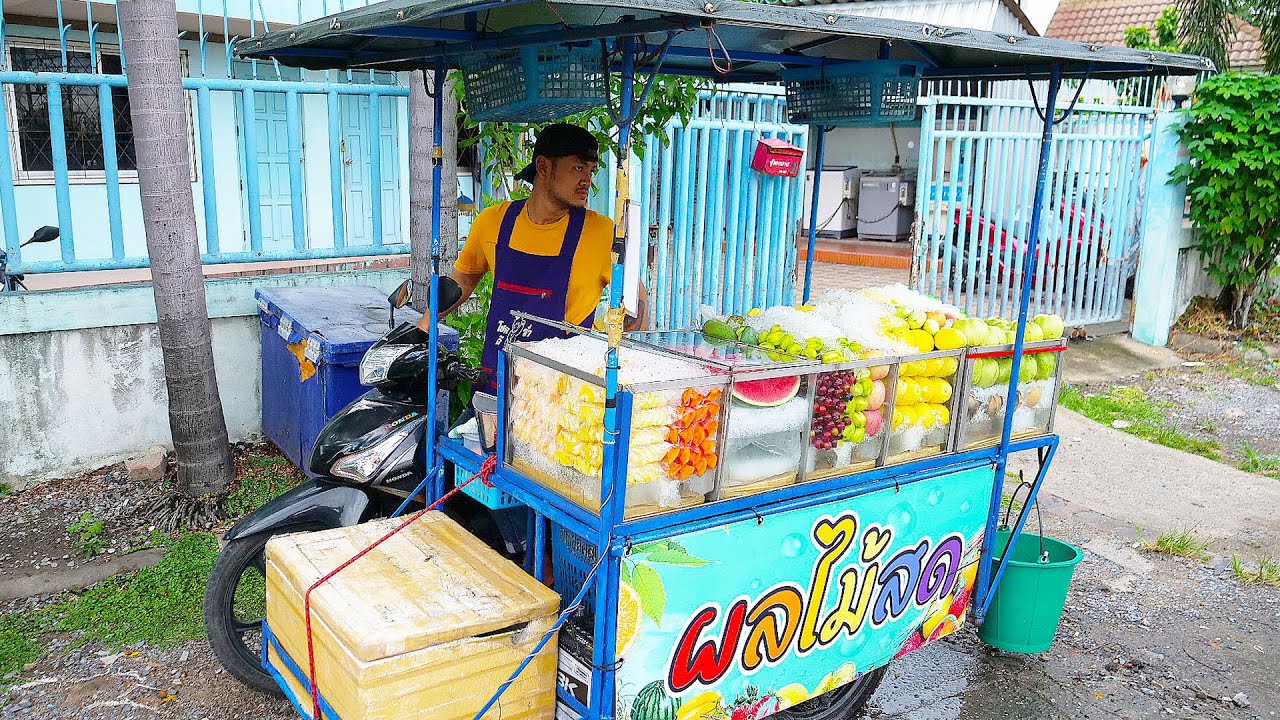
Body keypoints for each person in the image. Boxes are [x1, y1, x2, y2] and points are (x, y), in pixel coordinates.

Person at [423, 122, 648, 382]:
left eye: (591, 170)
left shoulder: (601, 232)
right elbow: (461, 281)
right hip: (499, 384)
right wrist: (422, 329)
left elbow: (635, 305)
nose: (587, 180)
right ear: (543, 167)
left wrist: (609, 363)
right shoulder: (494, 222)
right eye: (578, 168)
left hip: (562, 396)